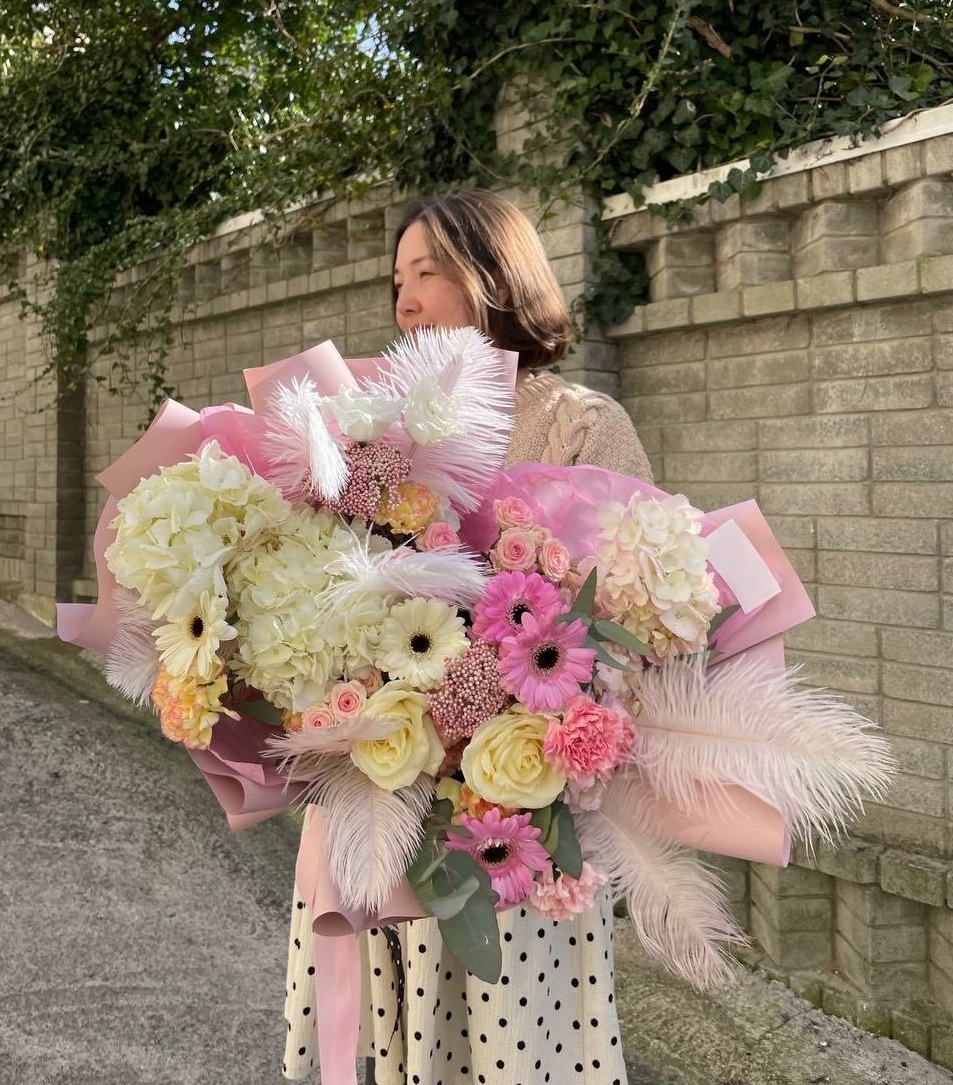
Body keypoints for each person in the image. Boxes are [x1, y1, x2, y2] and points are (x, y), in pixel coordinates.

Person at [282, 188, 653, 1085]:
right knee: (399, 1044)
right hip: (385, 800)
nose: (405, 301)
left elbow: (636, 624)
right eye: (396, 281)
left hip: (515, 815)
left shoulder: (580, 423)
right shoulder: (374, 429)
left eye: (427, 273)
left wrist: (508, 699)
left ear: (495, 277)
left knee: (513, 1048)